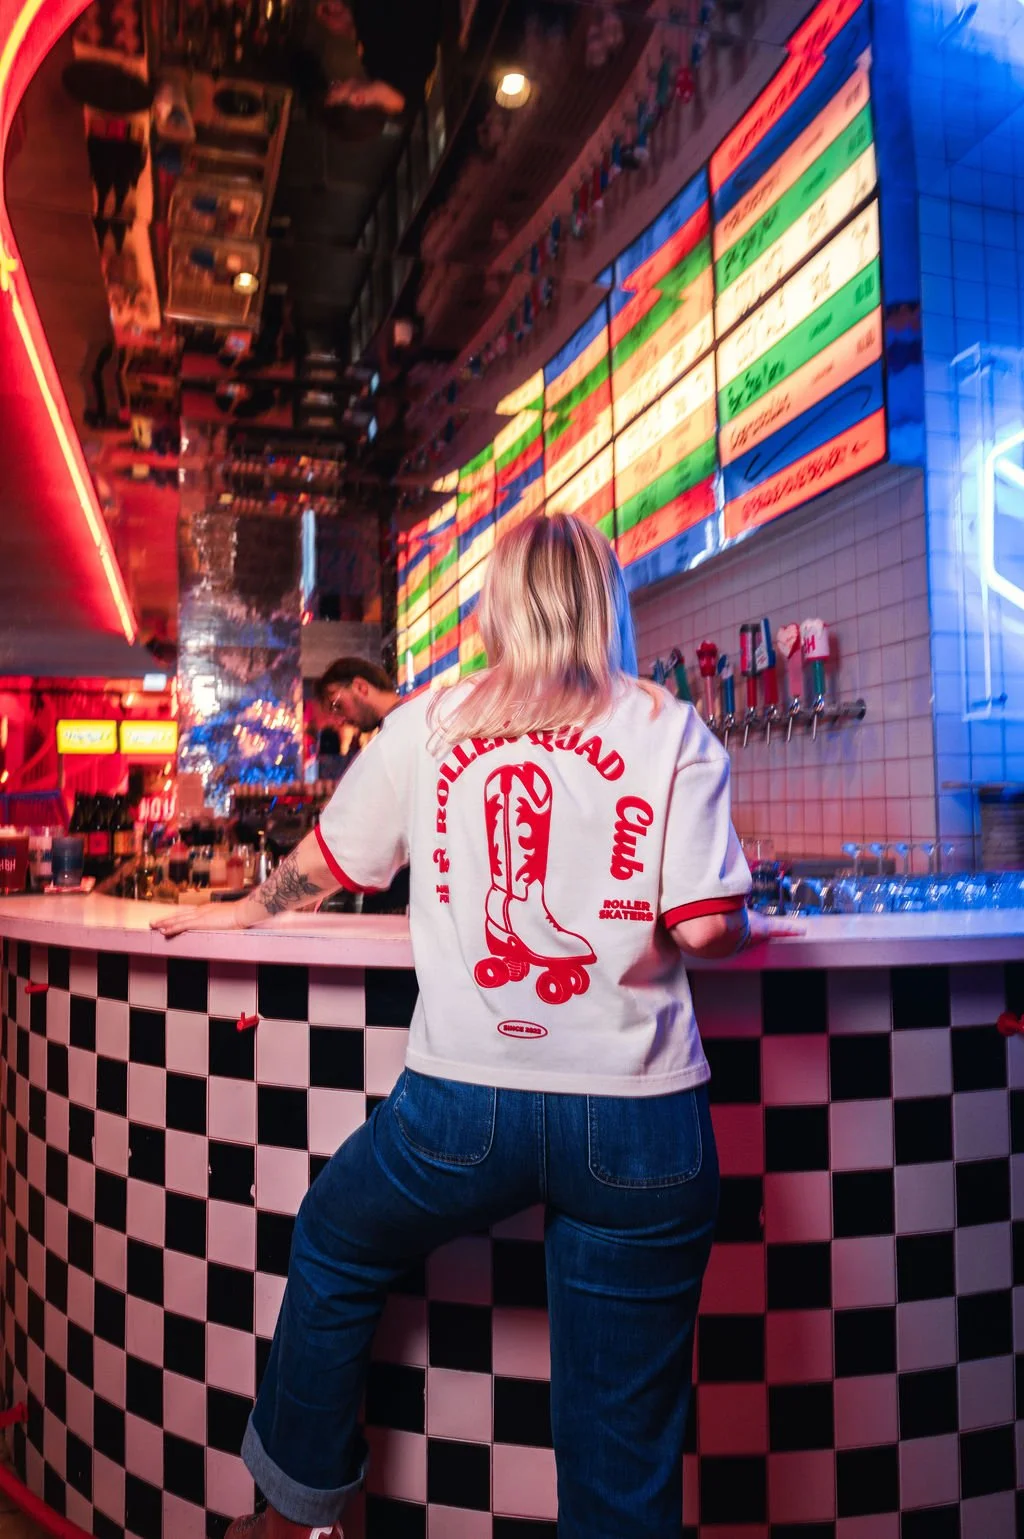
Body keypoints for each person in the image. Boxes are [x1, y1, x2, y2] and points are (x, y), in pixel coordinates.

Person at [153, 514, 798, 1539]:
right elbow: (708, 926)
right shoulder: (669, 726)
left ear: (494, 607)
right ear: (605, 603)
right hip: (640, 1126)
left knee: (334, 1240)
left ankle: (295, 1517)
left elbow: (329, 867)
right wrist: (753, 929)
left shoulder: (429, 722)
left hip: (459, 1114)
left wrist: (242, 910)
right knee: (619, 1436)